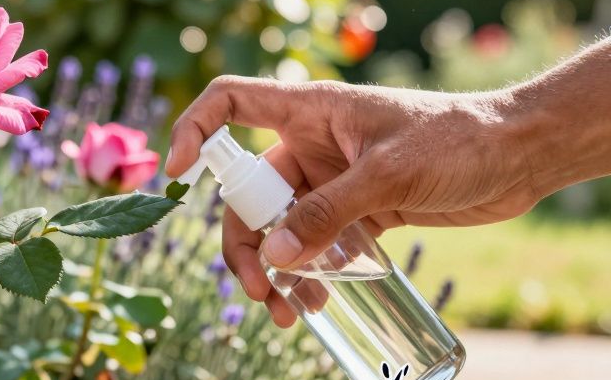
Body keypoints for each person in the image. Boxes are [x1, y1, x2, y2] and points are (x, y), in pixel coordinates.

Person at [163, 39, 611, 328]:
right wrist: (515, 147)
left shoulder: (315, 222)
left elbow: (315, 220)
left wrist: (504, 138)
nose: (315, 219)